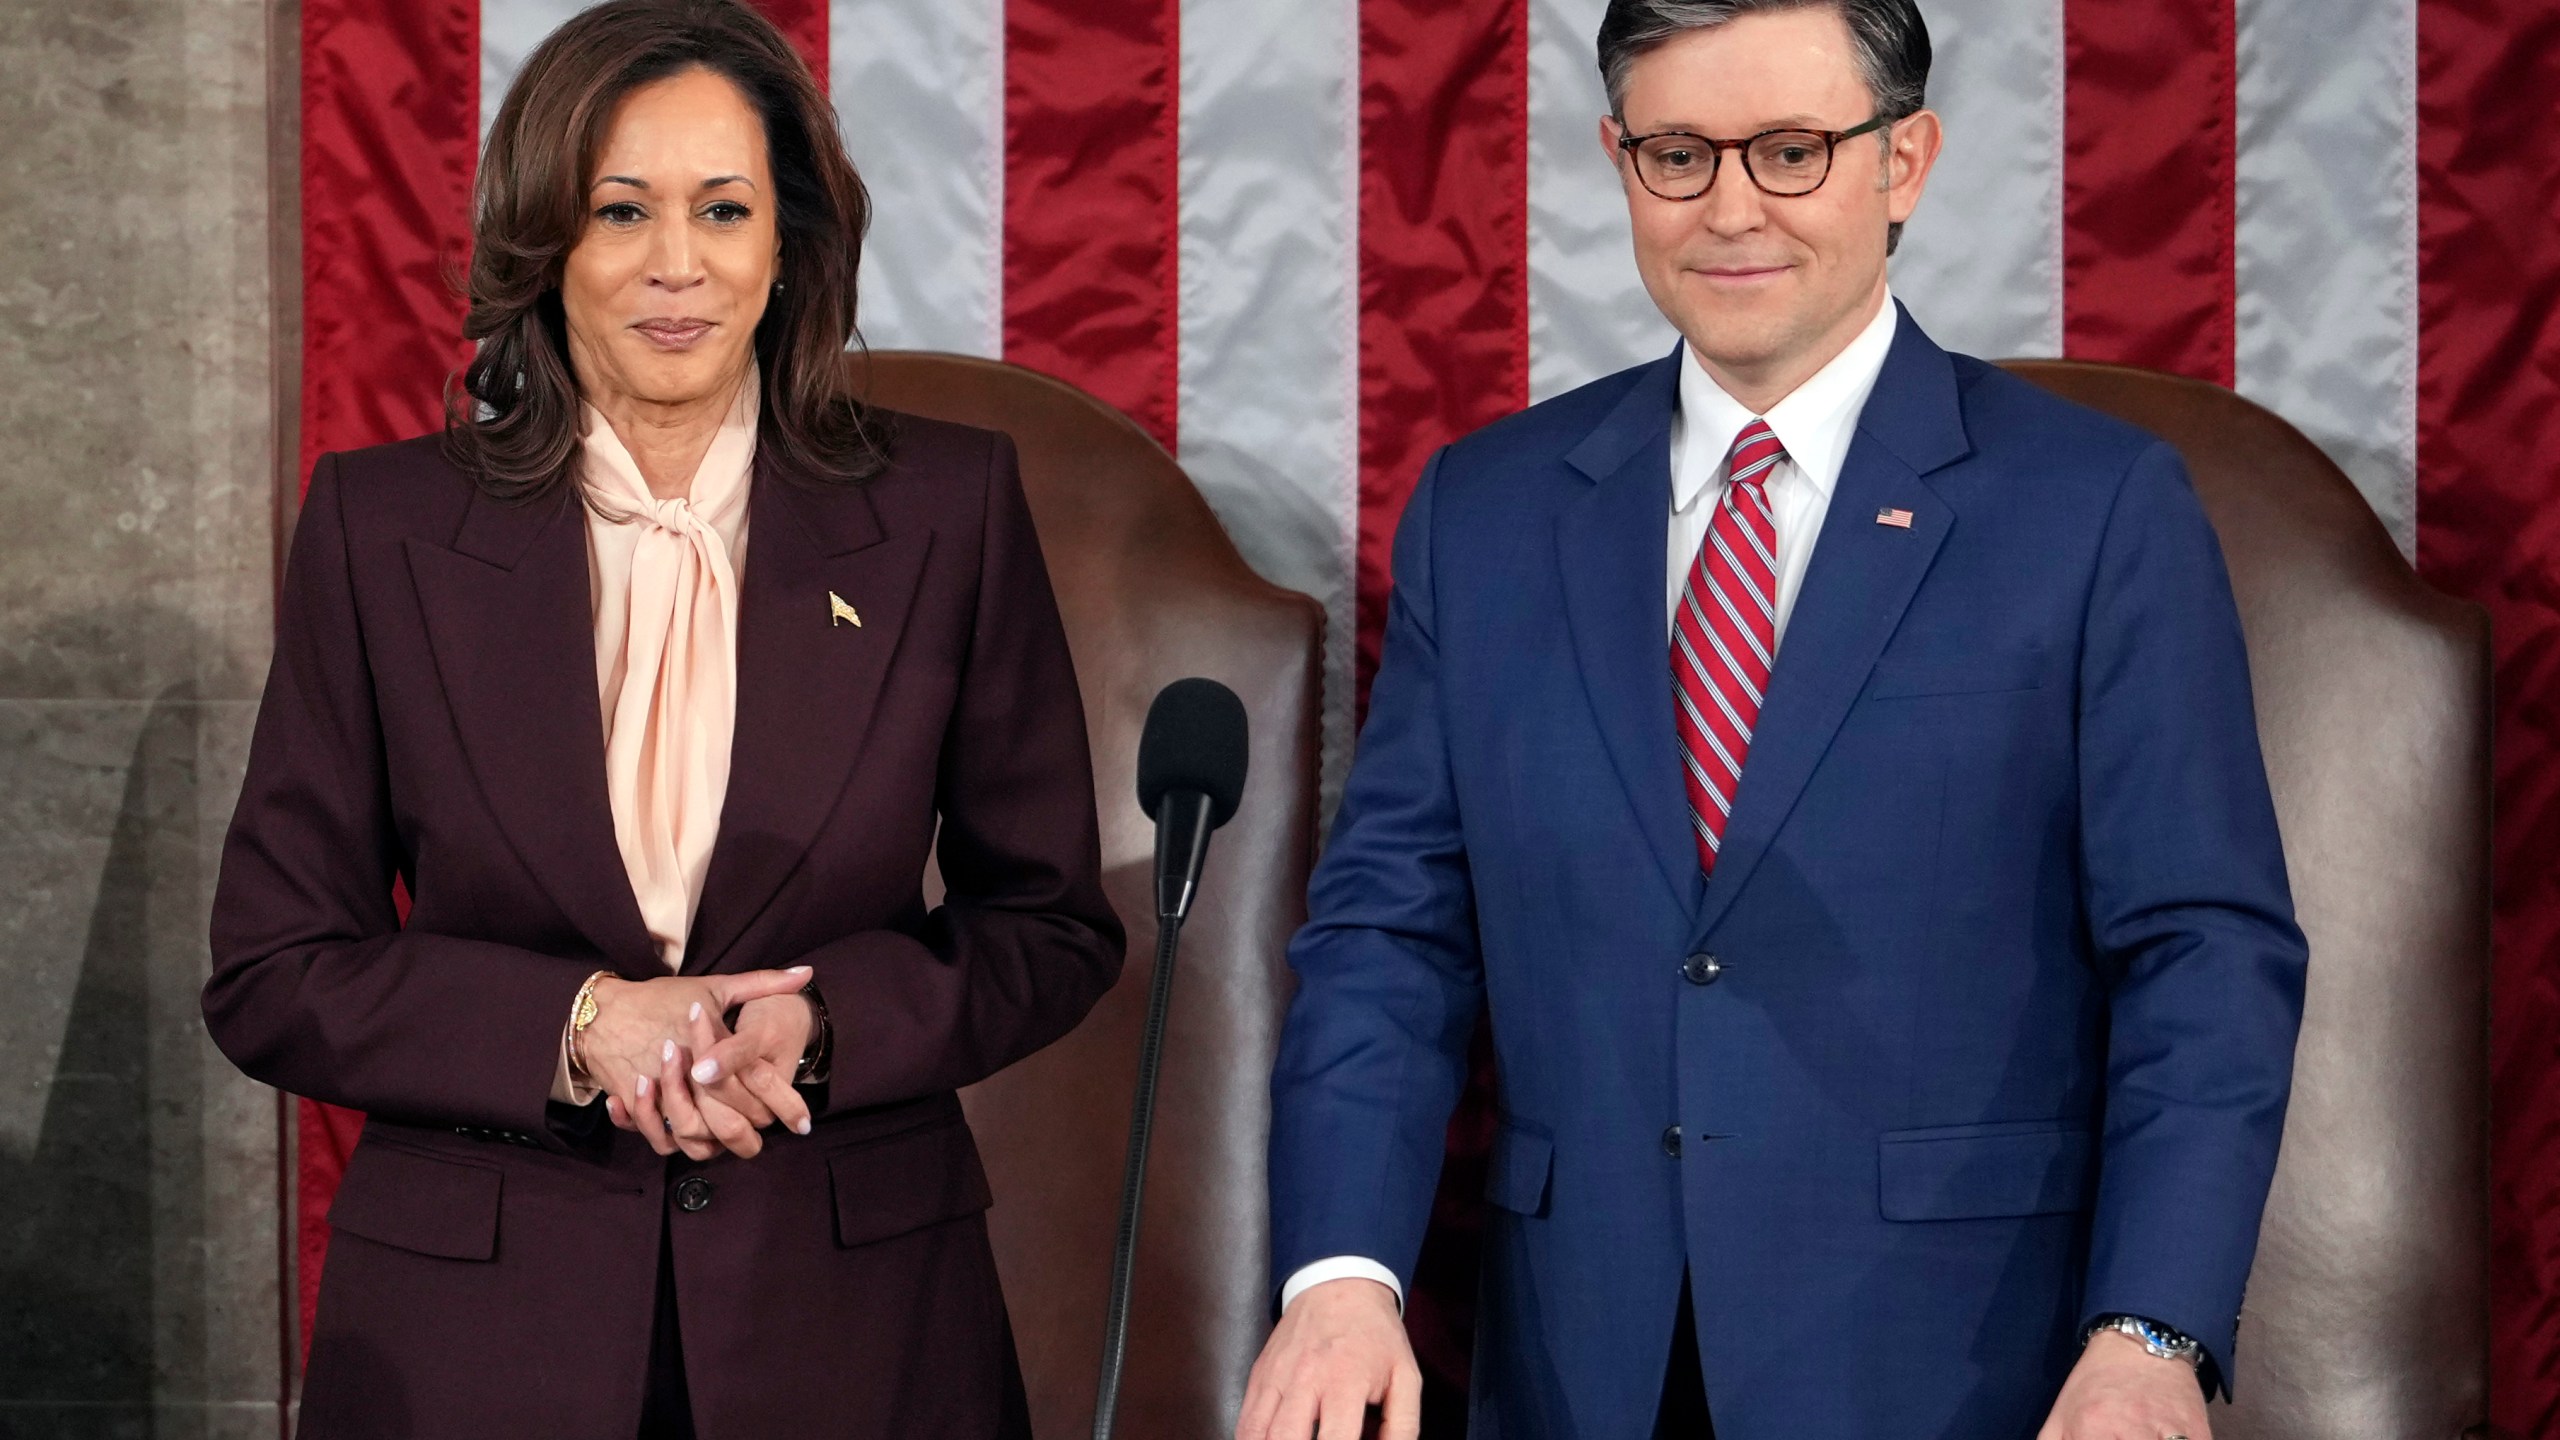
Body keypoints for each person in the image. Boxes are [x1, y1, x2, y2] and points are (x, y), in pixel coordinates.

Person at [1241, 2, 2307, 1437]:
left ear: (1906, 162)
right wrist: (1340, 1275)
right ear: (1620, 162)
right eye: (1680, 154)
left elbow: (2204, 957)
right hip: (1582, 1364)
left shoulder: (2096, 510)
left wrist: (2151, 1330)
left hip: (1967, 1368)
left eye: (1793, 150)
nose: (1731, 208)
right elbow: (1391, 936)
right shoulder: (1486, 513)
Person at [201, 2, 1122, 1434]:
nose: (676, 265)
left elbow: (1050, 929)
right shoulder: (382, 529)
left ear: (788, 240)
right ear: (543, 238)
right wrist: (578, 1026)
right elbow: (274, 967)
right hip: (475, 1342)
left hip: (856, 1328)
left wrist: (820, 1031)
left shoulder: (948, 512)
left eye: (725, 209)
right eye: (620, 210)